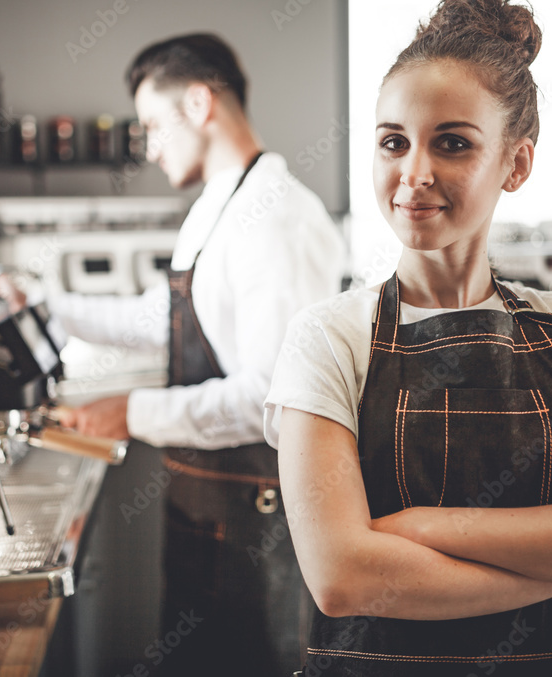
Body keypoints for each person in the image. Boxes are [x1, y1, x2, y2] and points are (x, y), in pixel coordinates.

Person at [264, 1, 552, 675]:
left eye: (452, 142)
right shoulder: (327, 339)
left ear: (516, 165)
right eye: (393, 141)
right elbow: (344, 577)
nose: (414, 172)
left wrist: (425, 525)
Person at [53, 33, 345, 675]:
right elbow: (161, 320)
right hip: (207, 510)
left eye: (154, 125)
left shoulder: (276, 218)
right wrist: (46, 306)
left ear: (198, 103)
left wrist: (133, 411)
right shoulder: (218, 208)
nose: (150, 146)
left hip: (256, 517)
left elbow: (270, 396)